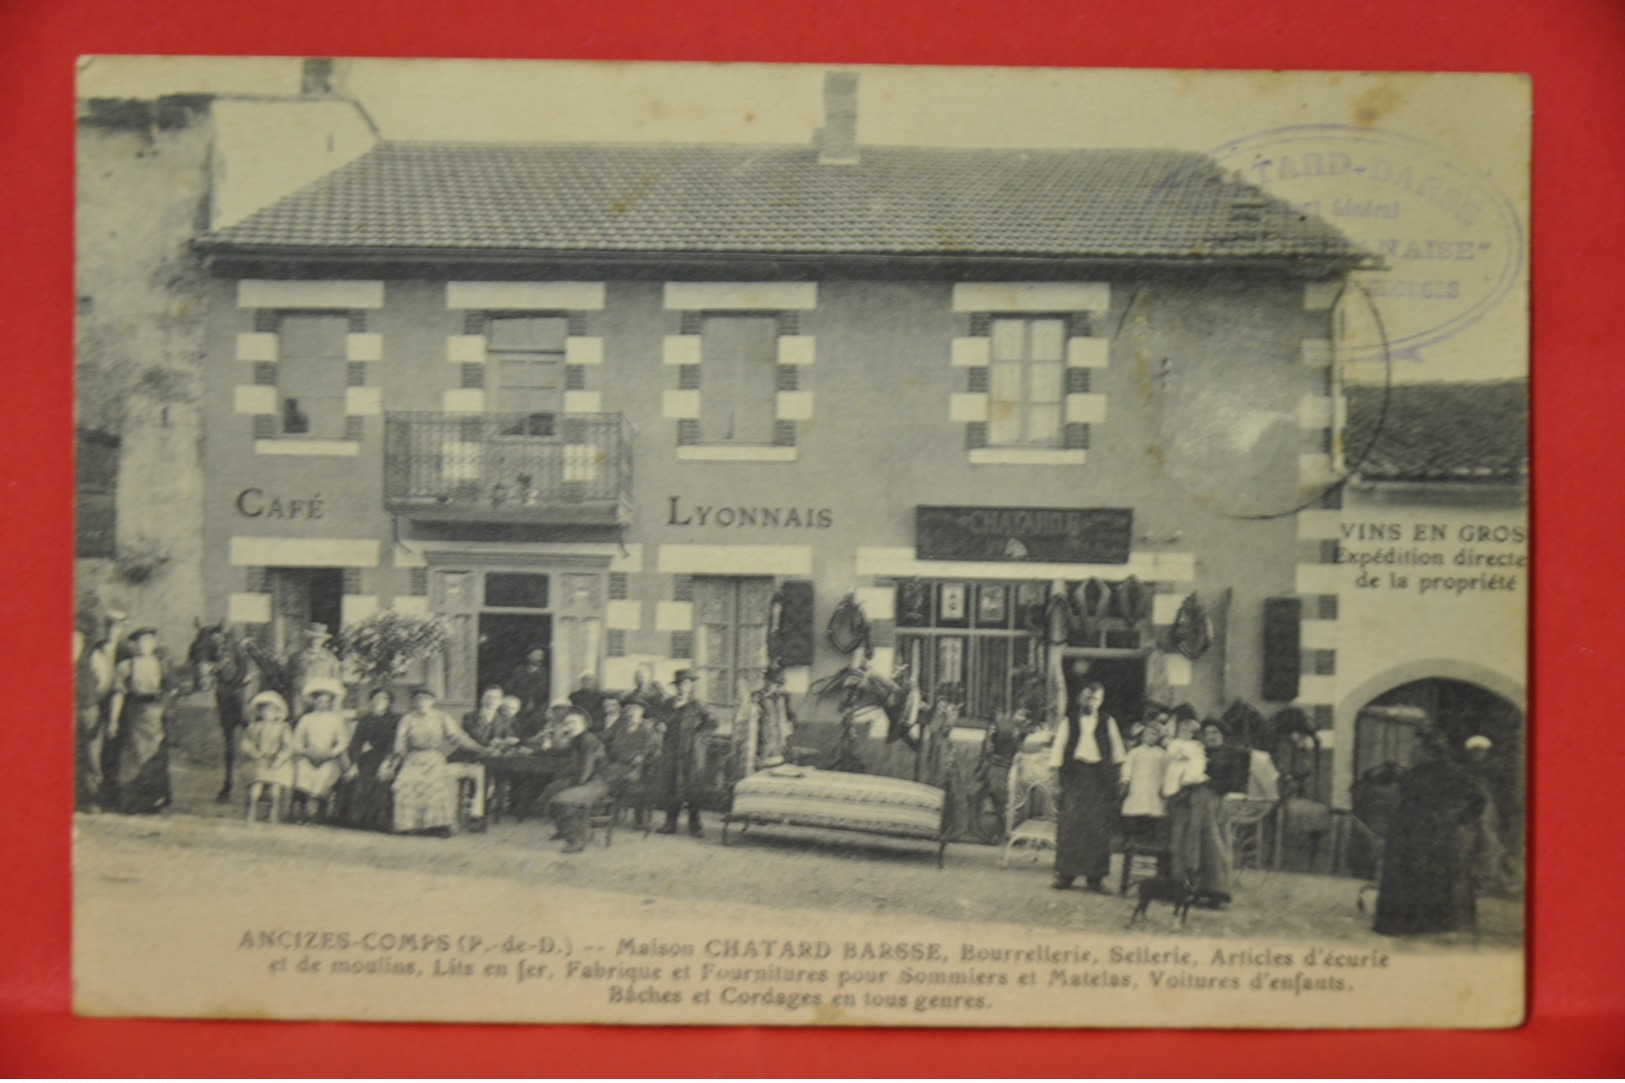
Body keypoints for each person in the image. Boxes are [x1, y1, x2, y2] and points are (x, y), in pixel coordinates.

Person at [1374, 721, 1488, 935]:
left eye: (1417, 748)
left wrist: (1457, 818)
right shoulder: (1418, 771)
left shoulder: (1452, 772)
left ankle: (1424, 925)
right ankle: (1410, 924)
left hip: (1431, 832)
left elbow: (1478, 798)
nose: (1414, 752)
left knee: (1424, 875)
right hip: (1409, 830)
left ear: (1430, 749)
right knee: (1407, 874)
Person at [1048, 681, 1126, 892]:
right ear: (1080, 698)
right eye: (1087, 697)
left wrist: (1120, 779)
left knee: (1098, 828)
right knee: (1071, 825)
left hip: (1100, 779)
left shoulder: (1108, 722)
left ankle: (1096, 878)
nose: (1090, 702)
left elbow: (1118, 752)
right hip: (1075, 776)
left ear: (1101, 701)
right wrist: (1056, 782)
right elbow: (1057, 751)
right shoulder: (1069, 722)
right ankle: (1066, 875)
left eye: (1095, 698)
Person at [388, 687, 489, 837]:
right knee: (404, 784)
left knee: (437, 785)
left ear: (432, 701)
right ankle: (409, 825)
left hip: (433, 757)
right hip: (413, 758)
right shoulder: (408, 718)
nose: (422, 702)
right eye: (419, 699)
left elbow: (459, 737)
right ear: (414, 702)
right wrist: (394, 761)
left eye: (426, 698)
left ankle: (438, 826)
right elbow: (400, 742)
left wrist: (480, 749)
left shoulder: (442, 717)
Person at [110, 627, 175, 815]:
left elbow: (171, 689)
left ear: (153, 644)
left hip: (157, 714)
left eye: (147, 641)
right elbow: (118, 694)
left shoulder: (161, 664)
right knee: (135, 756)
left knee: (156, 757)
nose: (143, 645)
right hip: (135, 713)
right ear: (134, 645)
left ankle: (157, 802)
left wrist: (167, 707)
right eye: (139, 642)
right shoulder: (126, 666)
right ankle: (133, 803)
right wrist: (113, 720)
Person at [654, 669, 717, 837]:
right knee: (671, 786)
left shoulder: (698, 705)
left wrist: (699, 736)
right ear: (676, 687)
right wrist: (659, 725)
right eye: (681, 684)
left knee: (693, 788)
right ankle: (670, 823)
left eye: (687, 684)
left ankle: (695, 825)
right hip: (671, 750)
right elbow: (658, 720)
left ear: (691, 687)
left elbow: (712, 723)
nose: (683, 687)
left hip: (692, 752)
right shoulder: (668, 704)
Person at [290, 677, 351, 824]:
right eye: (319, 700)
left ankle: (315, 808)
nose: (322, 704)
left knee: (326, 773)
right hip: (309, 755)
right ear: (314, 701)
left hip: (329, 758)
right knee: (303, 770)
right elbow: (297, 740)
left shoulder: (337, 719)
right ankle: (302, 809)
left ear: (330, 702)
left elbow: (343, 741)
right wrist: (305, 752)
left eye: (326, 701)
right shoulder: (306, 719)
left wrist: (331, 753)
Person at [548, 710, 611, 853]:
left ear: (584, 725)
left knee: (562, 800)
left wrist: (571, 788)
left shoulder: (588, 740)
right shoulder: (576, 740)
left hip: (596, 783)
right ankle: (563, 829)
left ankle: (577, 839)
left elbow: (585, 771)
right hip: (585, 780)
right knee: (550, 790)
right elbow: (556, 752)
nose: (569, 726)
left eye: (573, 723)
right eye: (566, 723)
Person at [341, 688, 401, 831]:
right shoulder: (365, 720)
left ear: (389, 703)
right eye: (376, 698)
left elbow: (395, 743)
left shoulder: (395, 720)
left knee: (384, 780)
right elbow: (356, 743)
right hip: (371, 756)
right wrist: (354, 764)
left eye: (384, 698)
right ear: (371, 701)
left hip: (391, 758)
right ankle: (357, 820)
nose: (379, 701)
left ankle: (380, 822)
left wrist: (387, 762)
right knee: (359, 778)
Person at [239, 691, 296, 823]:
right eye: (263, 710)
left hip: (277, 763)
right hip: (260, 761)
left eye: (271, 710)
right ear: (258, 712)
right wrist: (256, 754)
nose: (267, 713)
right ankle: (251, 812)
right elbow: (247, 744)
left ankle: (273, 815)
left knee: (275, 791)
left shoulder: (283, 727)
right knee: (256, 789)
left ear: (278, 712)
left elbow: (289, 746)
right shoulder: (254, 727)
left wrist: (280, 759)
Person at [1119, 718, 1170, 860]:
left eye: (1154, 734)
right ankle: (1131, 839)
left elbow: (1167, 771)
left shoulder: (1162, 754)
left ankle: (1148, 841)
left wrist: (1165, 787)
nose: (1150, 737)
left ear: (1159, 737)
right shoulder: (1135, 752)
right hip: (1138, 786)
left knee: (1152, 812)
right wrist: (1126, 779)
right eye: (1148, 734)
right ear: (1142, 736)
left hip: (1154, 786)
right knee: (1133, 810)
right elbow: (1127, 766)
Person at [604, 698, 660, 827]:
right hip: (618, 764)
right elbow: (607, 740)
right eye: (628, 710)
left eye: (635, 710)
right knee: (606, 776)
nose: (631, 713)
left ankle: (636, 816)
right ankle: (612, 813)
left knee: (630, 781)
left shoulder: (646, 729)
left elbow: (653, 751)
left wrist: (641, 758)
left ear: (642, 712)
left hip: (639, 767)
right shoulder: (621, 727)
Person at [285, 623, 343, 716]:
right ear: (307, 638)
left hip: (322, 699)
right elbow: (288, 680)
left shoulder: (331, 659)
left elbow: (337, 682)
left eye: (319, 638)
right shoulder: (296, 658)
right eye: (312, 637)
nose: (315, 641)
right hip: (301, 699)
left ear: (323, 640)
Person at [506, 645, 551, 731]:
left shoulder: (545, 673)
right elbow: (510, 687)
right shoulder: (519, 671)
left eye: (541, 655)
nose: (540, 657)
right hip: (519, 707)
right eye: (537, 654)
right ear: (528, 656)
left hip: (538, 709)